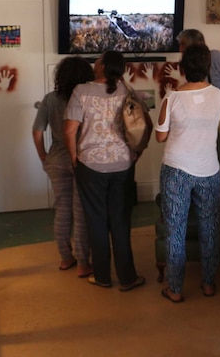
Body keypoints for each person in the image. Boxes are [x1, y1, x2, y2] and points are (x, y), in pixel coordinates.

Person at [63, 51, 145, 292]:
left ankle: (102, 276)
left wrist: (74, 158)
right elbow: (141, 124)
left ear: (102, 67)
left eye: (97, 60)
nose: (94, 63)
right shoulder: (127, 91)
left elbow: (69, 131)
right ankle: (128, 278)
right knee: (120, 221)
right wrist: (135, 153)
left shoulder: (81, 91)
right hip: (123, 164)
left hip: (90, 166)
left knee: (96, 221)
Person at [154, 43, 220, 303]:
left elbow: (160, 136)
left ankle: (175, 288)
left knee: (176, 230)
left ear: (182, 68)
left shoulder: (172, 98)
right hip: (210, 170)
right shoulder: (218, 95)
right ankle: (208, 283)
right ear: (207, 67)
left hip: (177, 171)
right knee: (210, 228)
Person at [32, 56, 95, 278]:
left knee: (62, 209)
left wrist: (43, 156)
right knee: (80, 212)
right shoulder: (87, 98)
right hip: (81, 158)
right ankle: (83, 262)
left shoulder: (50, 99)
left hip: (56, 159)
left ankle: (66, 258)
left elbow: (37, 130)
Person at [177, 29, 220, 132]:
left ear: (197, 44)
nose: (180, 49)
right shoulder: (194, 63)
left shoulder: (216, 57)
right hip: (208, 115)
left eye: (183, 44)